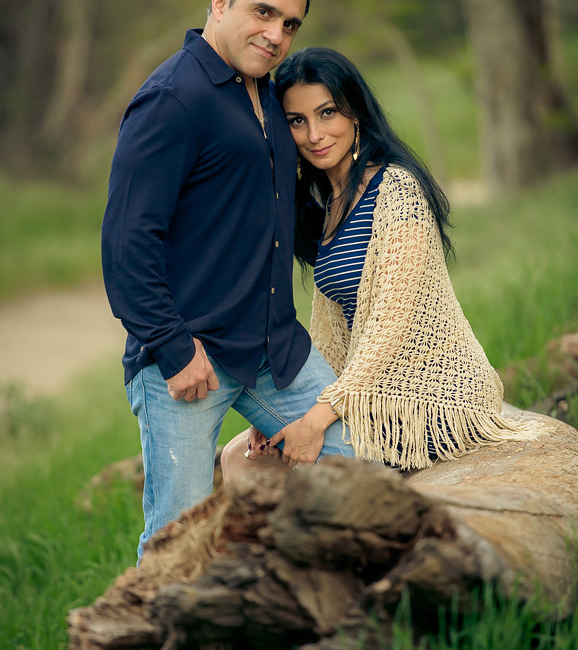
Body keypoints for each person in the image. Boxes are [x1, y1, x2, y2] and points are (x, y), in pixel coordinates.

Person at [101, 4, 358, 563]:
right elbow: (126, 245)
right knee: (179, 545)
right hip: (190, 363)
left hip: (275, 349)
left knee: (359, 473)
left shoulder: (268, 93)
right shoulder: (172, 99)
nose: (276, 34)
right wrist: (172, 348)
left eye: (290, 23)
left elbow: (268, 211)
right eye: (263, 11)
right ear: (220, 2)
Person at [222, 47, 538, 479]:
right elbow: (331, 335)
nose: (315, 134)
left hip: (429, 397)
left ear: (355, 113)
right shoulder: (329, 204)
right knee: (240, 455)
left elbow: (390, 322)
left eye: (327, 112)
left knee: (274, 468)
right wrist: (283, 411)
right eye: (297, 121)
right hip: (370, 391)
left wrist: (315, 416)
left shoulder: (396, 190)